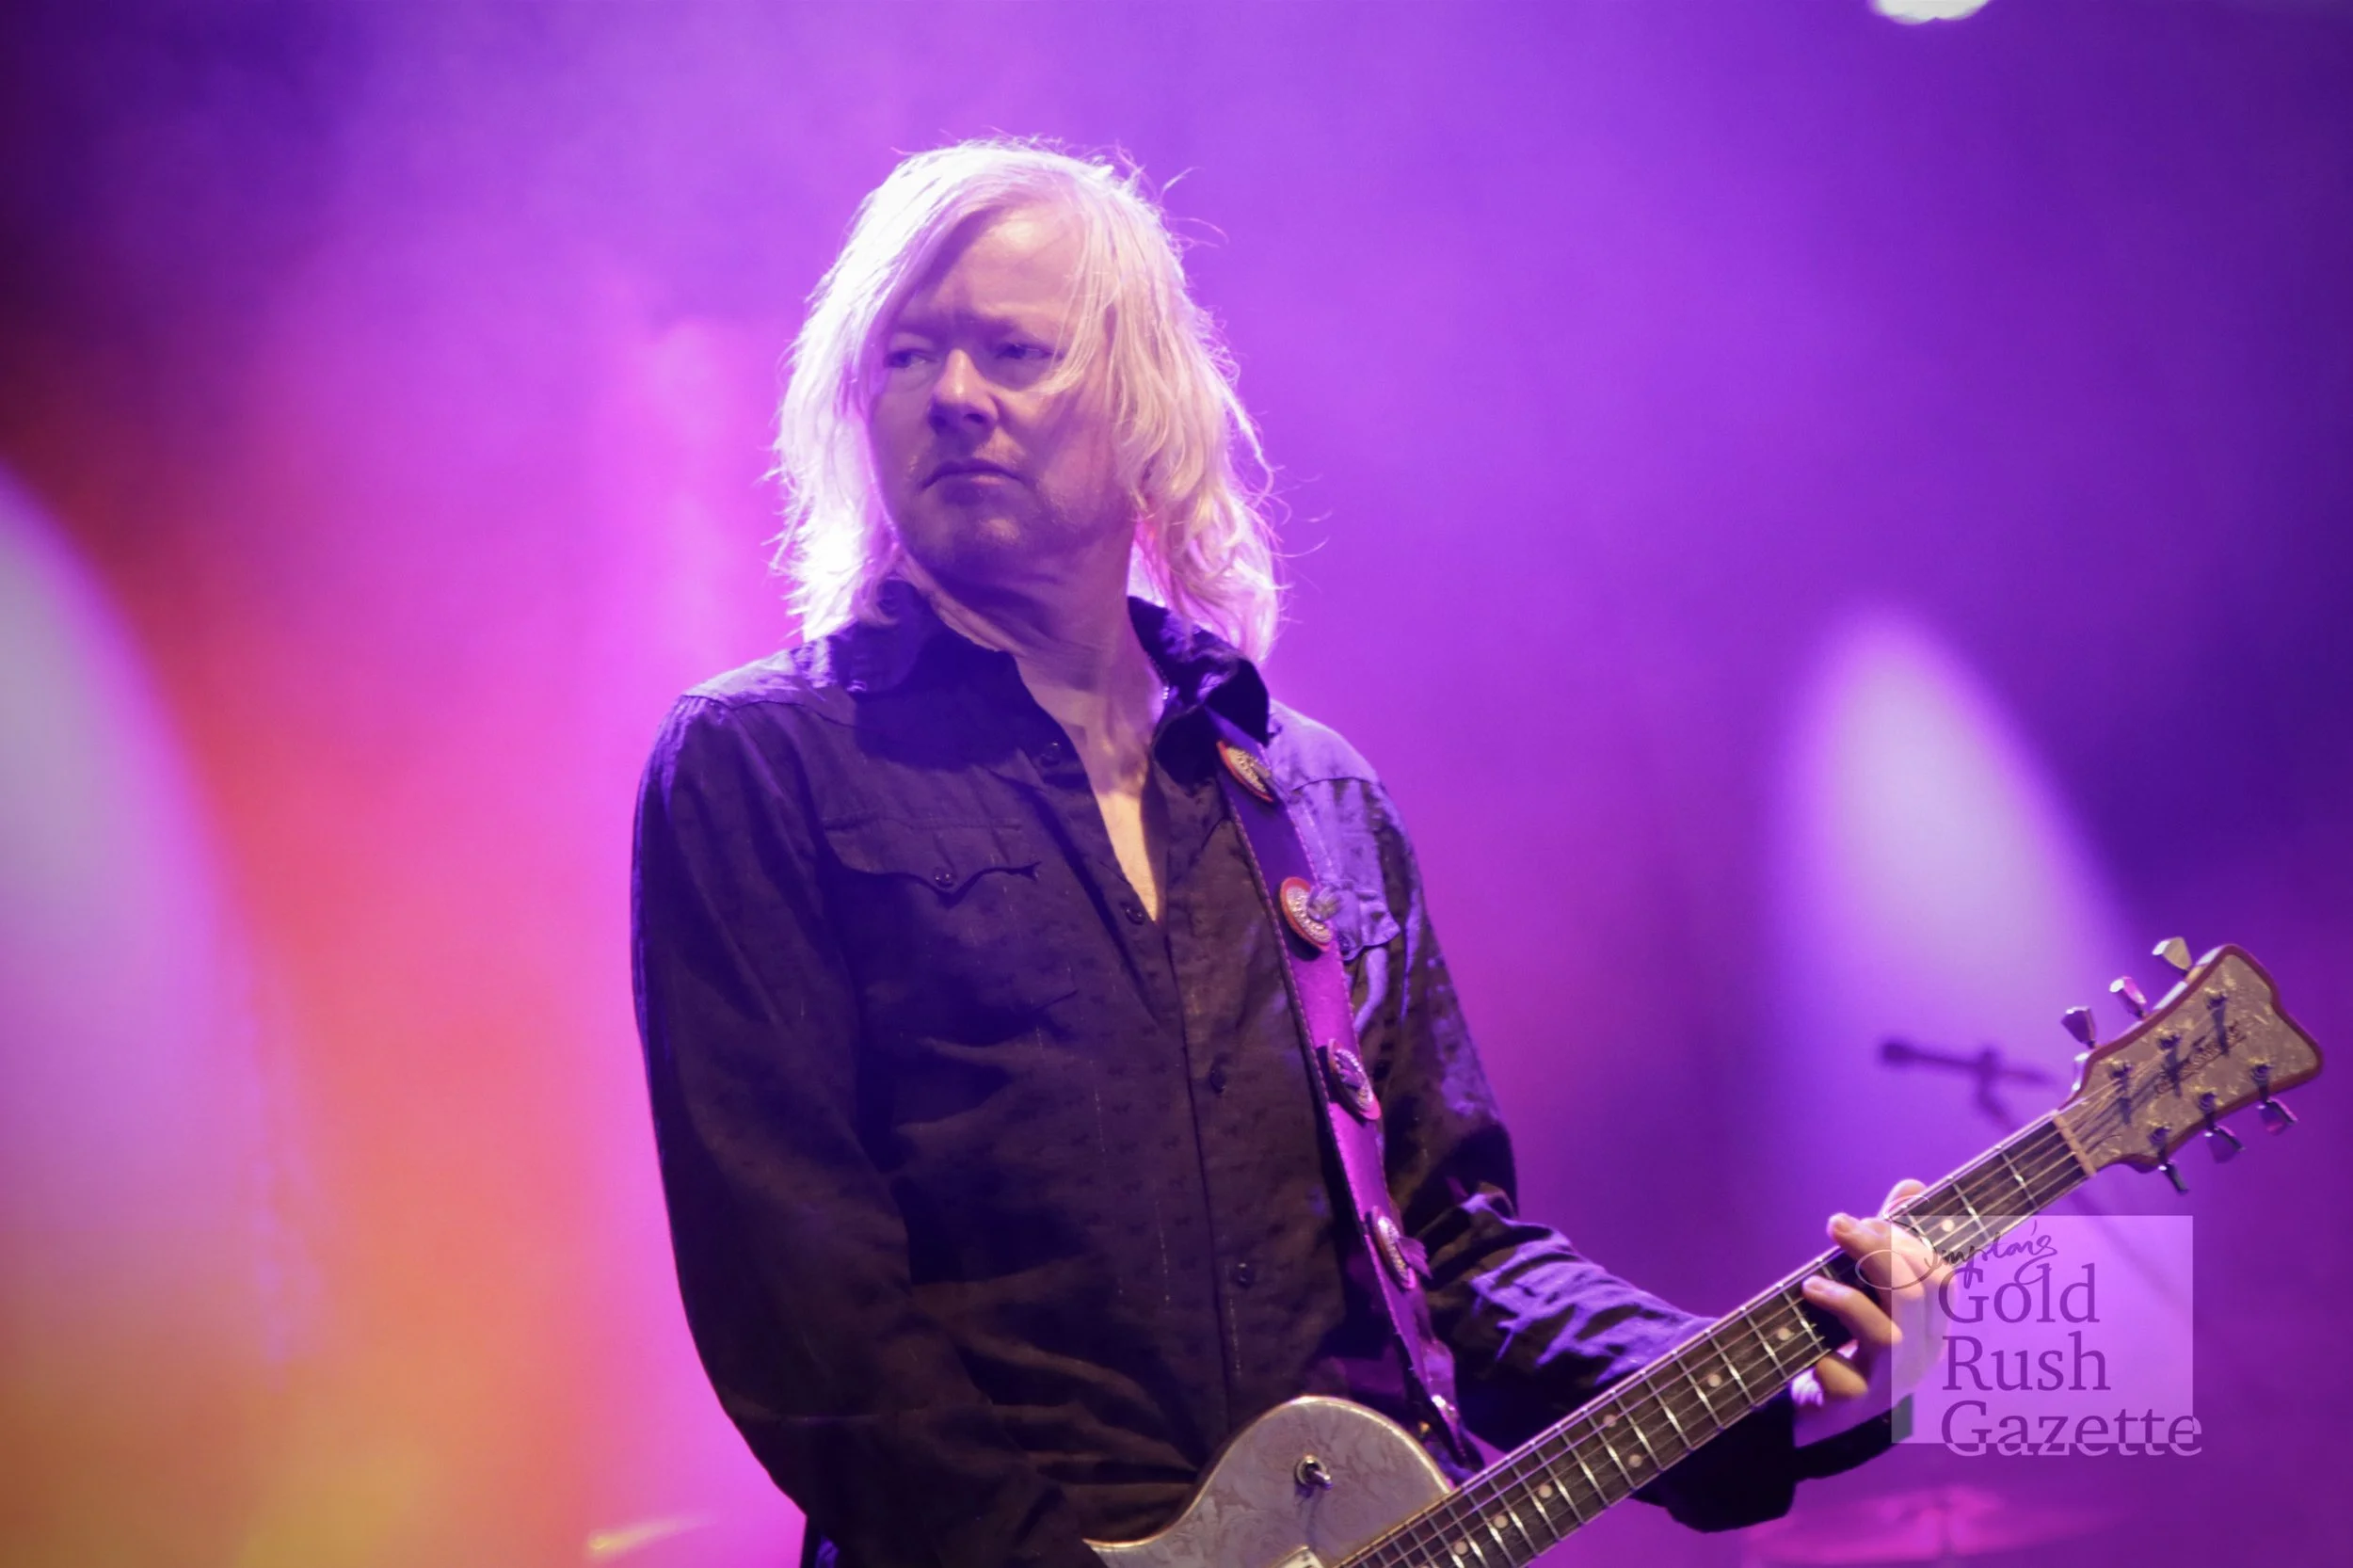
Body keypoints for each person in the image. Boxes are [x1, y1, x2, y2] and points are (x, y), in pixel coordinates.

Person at [631, 140, 1929, 1568]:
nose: (952, 398)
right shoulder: (763, 764)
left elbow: (1451, 1256)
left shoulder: (1313, 796)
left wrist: (1770, 1385)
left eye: (1014, 349)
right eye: (904, 356)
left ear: (1141, 403)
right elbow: (804, 1308)